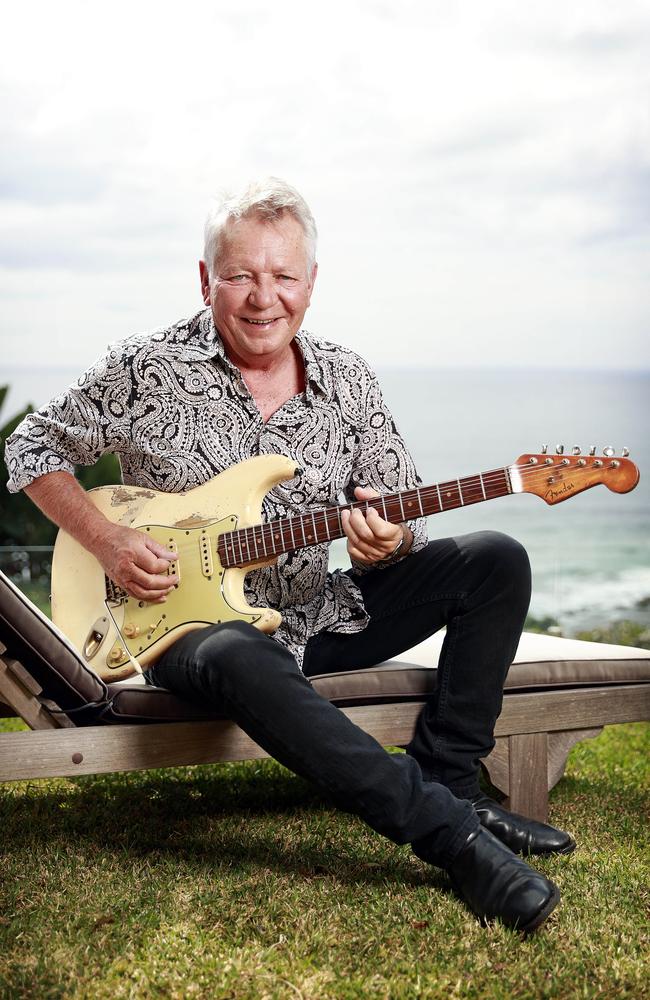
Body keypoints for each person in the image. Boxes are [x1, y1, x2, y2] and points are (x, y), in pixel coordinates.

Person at [5, 178, 575, 933]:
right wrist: (107, 540)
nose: (262, 297)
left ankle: (452, 780)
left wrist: (389, 540)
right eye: (241, 275)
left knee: (496, 558)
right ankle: (453, 836)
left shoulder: (348, 379)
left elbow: (402, 516)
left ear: (311, 283)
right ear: (207, 281)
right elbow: (29, 447)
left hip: (315, 617)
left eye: (283, 276)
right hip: (184, 631)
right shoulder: (147, 367)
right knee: (242, 651)